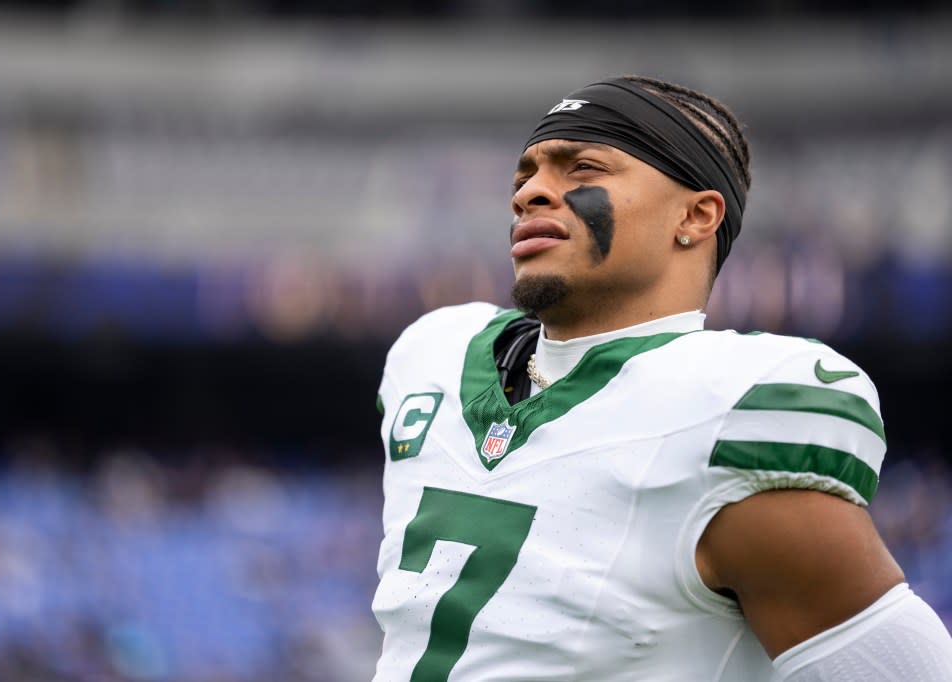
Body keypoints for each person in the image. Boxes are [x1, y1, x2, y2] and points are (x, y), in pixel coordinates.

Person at [370, 75, 952, 681]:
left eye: (583, 170)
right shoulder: (432, 355)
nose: (531, 194)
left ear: (696, 216)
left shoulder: (732, 406)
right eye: (525, 176)